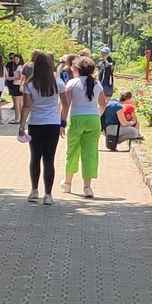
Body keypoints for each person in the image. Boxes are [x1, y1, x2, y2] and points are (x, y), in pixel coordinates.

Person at [17, 51, 63, 204]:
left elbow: (26, 106)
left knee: (35, 157)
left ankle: (34, 190)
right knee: (49, 159)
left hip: (36, 124)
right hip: (53, 124)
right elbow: (66, 101)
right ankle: (48, 195)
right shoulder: (58, 83)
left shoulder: (30, 84)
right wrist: (63, 119)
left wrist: (21, 126)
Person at [61, 55, 103, 197]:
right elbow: (103, 104)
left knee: (72, 151)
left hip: (77, 119)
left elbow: (65, 105)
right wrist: (98, 115)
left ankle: (67, 184)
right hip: (93, 119)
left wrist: (62, 122)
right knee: (90, 152)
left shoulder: (72, 83)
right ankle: (87, 187)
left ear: (77, 69)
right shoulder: (97, 84)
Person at [4, 54, 23, 123]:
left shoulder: (19, 67)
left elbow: (20, 77)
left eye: (17, 59)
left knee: (17, 103)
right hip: (19, 85)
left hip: (16, 85)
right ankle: (19, 118)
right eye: (15, 59)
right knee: (19, 103)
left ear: (20, 59)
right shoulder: (20, 66)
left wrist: (10, 78)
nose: (15, 61)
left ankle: (17, 118)